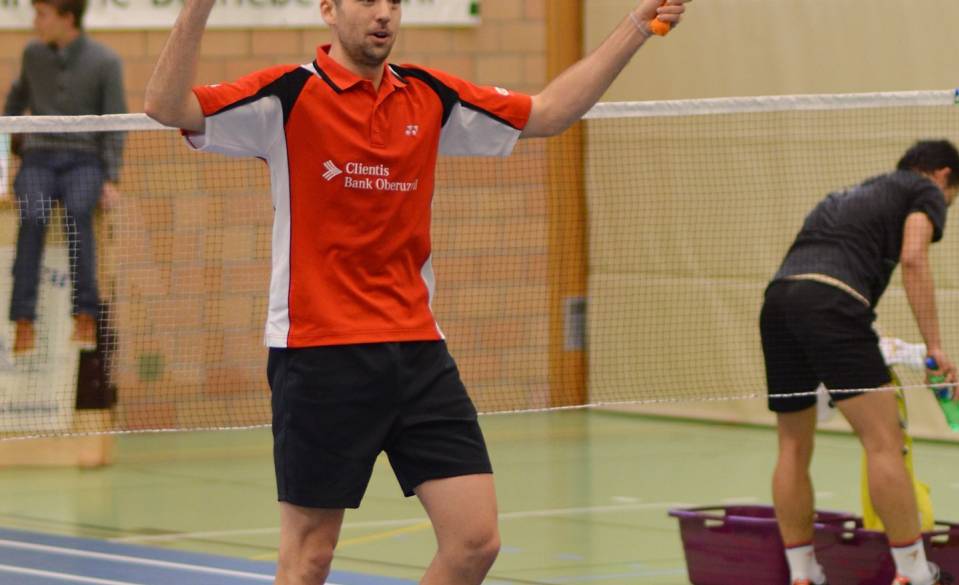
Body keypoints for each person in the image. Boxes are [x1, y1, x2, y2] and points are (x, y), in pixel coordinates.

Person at [144, 0, 693, 583]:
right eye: (366, 1)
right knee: (309, 558)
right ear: (328, 10)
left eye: (394, 2)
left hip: (417, 352)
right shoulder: (286, 96)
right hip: (320, 353)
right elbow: (166, 106)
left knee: (474, 542)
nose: (383, 14)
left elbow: (550, 112)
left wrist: (636, 27)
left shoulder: (429, 96)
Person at [759, 140, 959, 585]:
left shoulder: (843, 197)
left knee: (792, 446)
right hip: (833, 304)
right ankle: (914, 574)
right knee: (884, 443)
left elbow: (822, 278)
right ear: (943, 175)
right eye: (949, 200)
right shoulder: (924, 190)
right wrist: (934, 347)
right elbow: (913, 257)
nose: (943, 208)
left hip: (778, 302)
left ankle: (802, 575)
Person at [4, 0, 126, 354]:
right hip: (38, 159)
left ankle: (85, 314)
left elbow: (117, 124)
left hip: (84, 161)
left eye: (42, 14)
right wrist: (14, 151)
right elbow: (13, 104)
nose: (36, 22)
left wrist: (110, 177)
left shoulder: (106, 61)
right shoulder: (32, 55)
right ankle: (23, 319)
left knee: (78, 213)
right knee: (33, 216)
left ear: (67, 18)